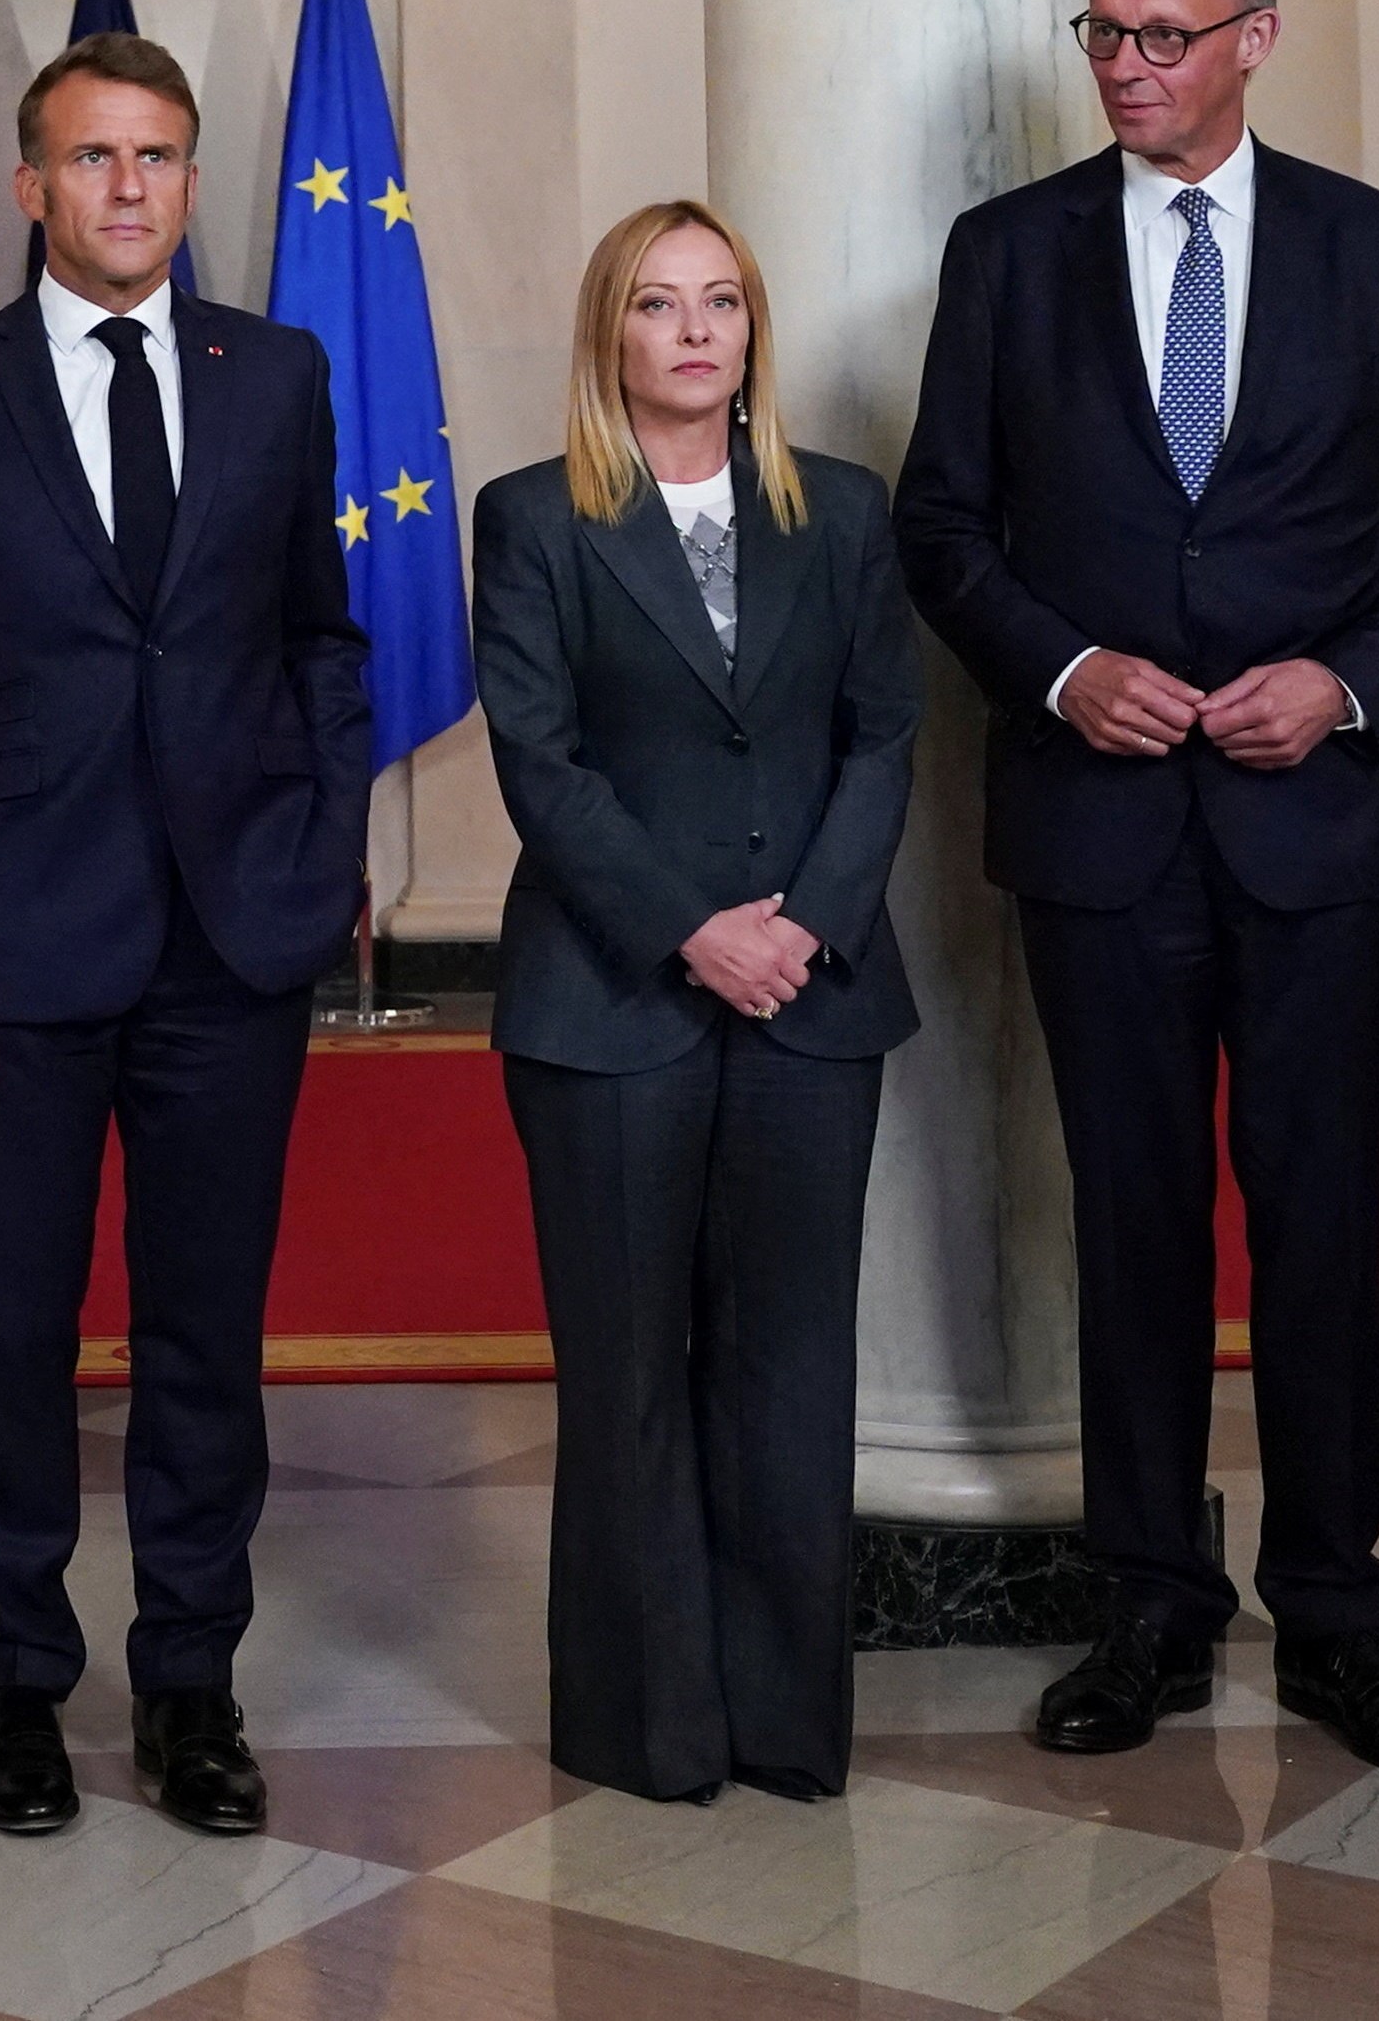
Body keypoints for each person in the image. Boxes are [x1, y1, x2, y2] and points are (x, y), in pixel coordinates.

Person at [897, 0, 1379, 1781]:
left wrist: (1340, 686)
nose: (1128, 68)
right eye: (1104, 33)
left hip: (1323, 827)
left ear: (1258, 38)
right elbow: (943, 526)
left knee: (1326, 1229)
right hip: (1100, 827)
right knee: (1135, 1223)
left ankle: (1339, 1617)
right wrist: (1067, 667)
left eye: (1167, 37)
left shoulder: (1376, 248)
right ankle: (1152, 1603)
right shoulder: (1005, 255)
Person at [0, 35, 374, 1838]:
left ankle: (192, 1686)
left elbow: (322, 638)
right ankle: (17, 1687)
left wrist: (314, 851)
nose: (128, 188)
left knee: (204, 1337)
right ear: (30, 186)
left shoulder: (277, 377)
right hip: (9, 945)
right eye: (92, 158)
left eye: (157, 156)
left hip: (233, 944)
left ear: (193, 179)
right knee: (8, 1335)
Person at [472, 202, 917, 1807]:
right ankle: (647, 1724)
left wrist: (801, 928)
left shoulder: (846, 512)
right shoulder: (532, 518)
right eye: (658, 306)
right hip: (609, 1003)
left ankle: (788, 1724)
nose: (694, 332)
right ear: (613, 334)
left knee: (792, 1373)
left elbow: (884, 736)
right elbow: (546, 766)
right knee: (630, 1374)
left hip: (816, 996)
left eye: (720, 302)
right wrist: (692, 934)